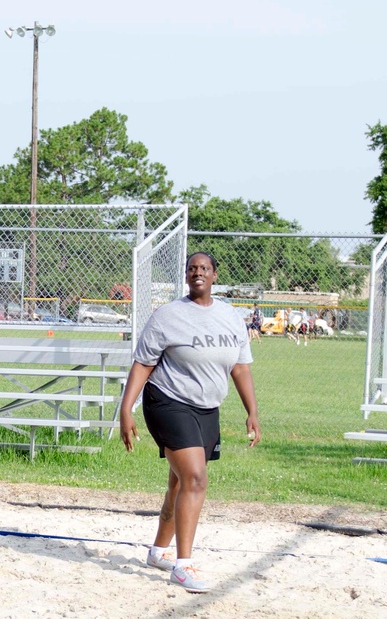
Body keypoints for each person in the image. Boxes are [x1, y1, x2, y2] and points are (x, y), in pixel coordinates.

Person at [119, 251, 261, 594]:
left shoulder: (230, 317)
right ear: (186, 276)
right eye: (192, 269)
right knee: (196, 479)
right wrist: (126, 409)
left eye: (204, 269)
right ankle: (183, 565)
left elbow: (240, 367)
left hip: (206, 407)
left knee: (180, 484)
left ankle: (158, 552)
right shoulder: (168, 316)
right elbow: (143, 364)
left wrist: (252, 411)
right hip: (167, 401)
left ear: (214, 275)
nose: (198, 273)